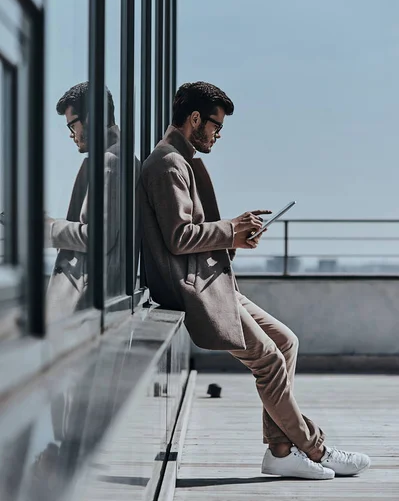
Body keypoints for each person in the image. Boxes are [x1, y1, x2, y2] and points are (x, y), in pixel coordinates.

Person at [140, 81, 370, 479]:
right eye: (215, 125)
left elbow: (193, 230)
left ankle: (280, 451)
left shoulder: (180, 160)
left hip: (212, 281)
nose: (218, 134)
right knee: (268, 359)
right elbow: (178, 238)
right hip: (195, 291)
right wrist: (230, 231)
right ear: (194, 119)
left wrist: (236, 234)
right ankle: (313, 448)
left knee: (285, 341)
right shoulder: (168, 165)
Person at [46, 82, 121, 322]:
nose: (71, 133)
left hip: (86, 307)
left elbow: (99, 237)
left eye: (72, 124)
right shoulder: (115, 157)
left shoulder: (111, 162)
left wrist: (48, 227)